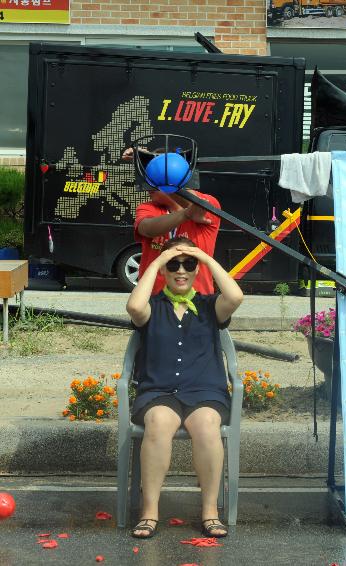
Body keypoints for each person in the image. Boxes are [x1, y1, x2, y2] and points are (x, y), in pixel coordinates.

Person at [125, 236, 243, 539]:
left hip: (205, 391)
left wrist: (204, 258)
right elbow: (133, 305)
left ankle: (210, 512)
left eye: (187, 264)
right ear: (164, 270)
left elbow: (236, 295)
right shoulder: (152, 307)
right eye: (174, 265)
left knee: (206, 425)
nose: (181, 270)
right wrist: (157, 262)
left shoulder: (209, 306)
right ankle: (149, 512)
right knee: (158, 422)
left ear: (196, 270)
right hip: (159, 392)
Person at [122, 147, 221, 295]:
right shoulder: (148, 207)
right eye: (150, 177)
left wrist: (157, 171)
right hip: (155, 301)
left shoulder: (208, 202)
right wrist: (185, 214)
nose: (149, 185)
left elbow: (197, 205)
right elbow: (147, 229)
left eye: (156, 176)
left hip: (198, 301)